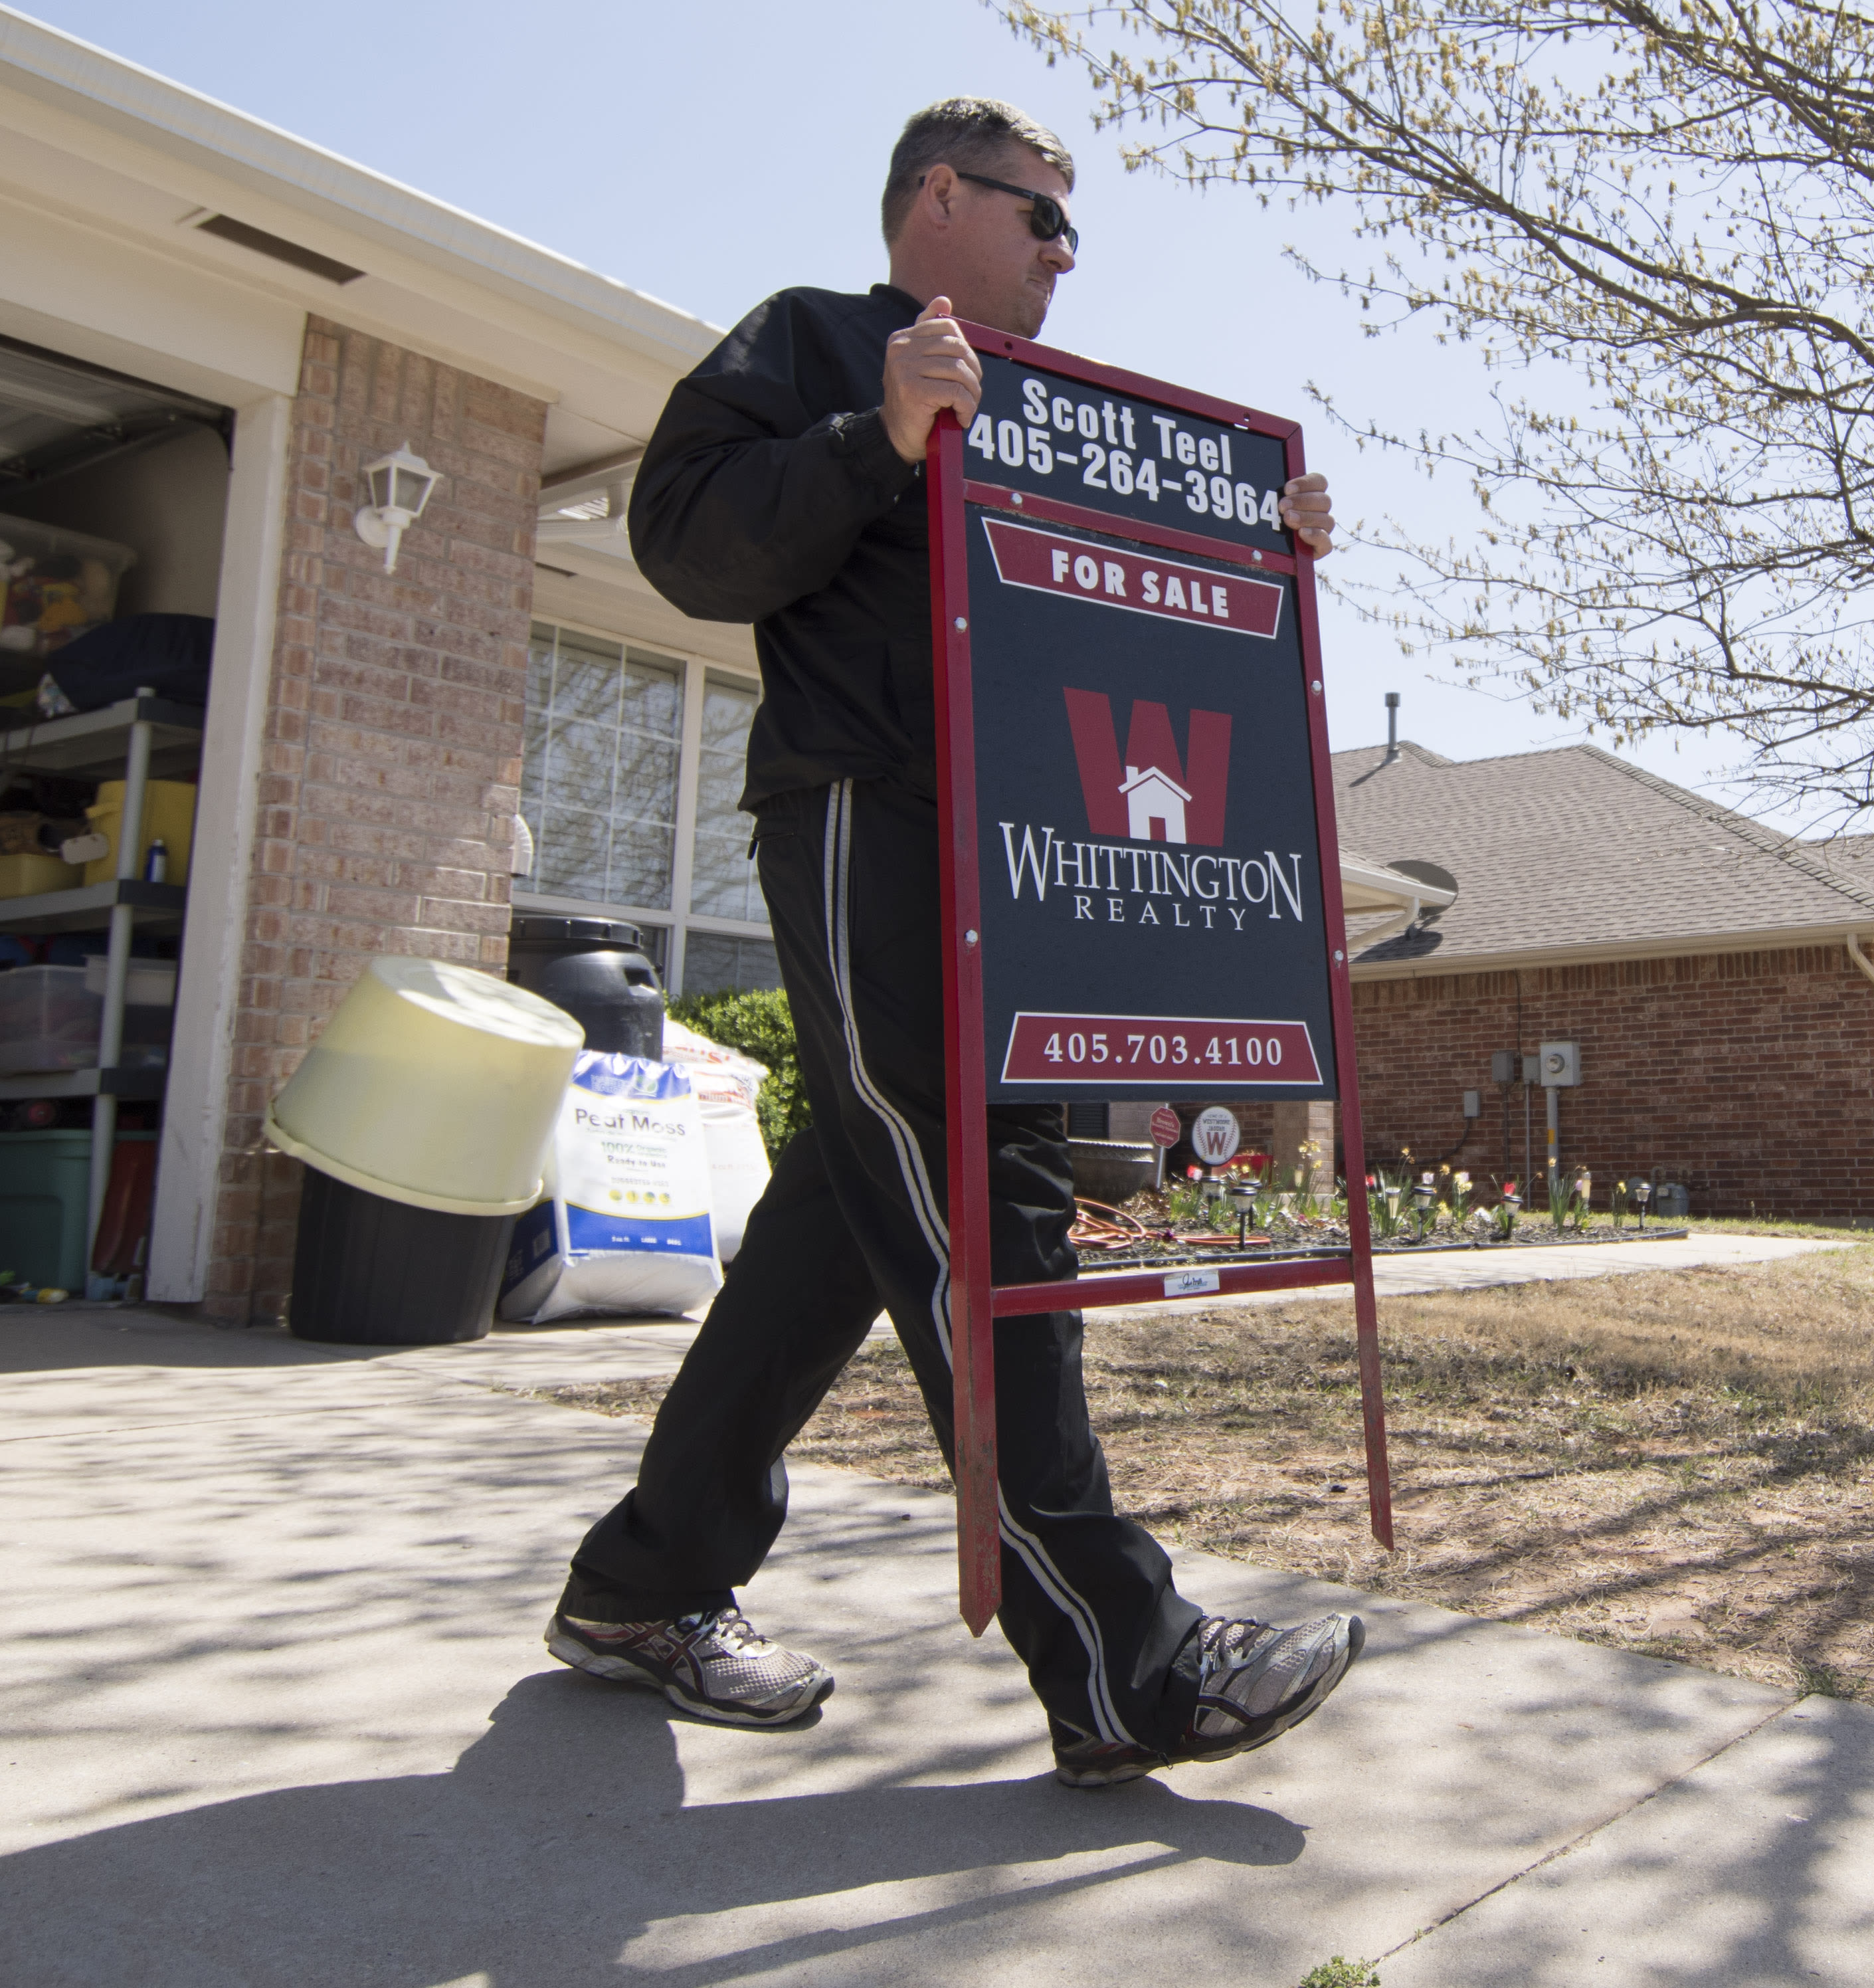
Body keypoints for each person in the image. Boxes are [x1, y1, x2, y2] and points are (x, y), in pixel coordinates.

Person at [544, 98, 1359, 1789]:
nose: (1067, 253)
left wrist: (1256, 551)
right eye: (1041, 217)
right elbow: (686, 545)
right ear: (937, 198)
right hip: (872, 822)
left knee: (849, 1220)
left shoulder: (1061, 417)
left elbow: (1125, 612)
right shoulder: (816, 343)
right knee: (987, 1200)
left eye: (1073, 230)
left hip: (1024, 865)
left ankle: (644, 1584)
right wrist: (874, 436)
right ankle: (1129, 1664)